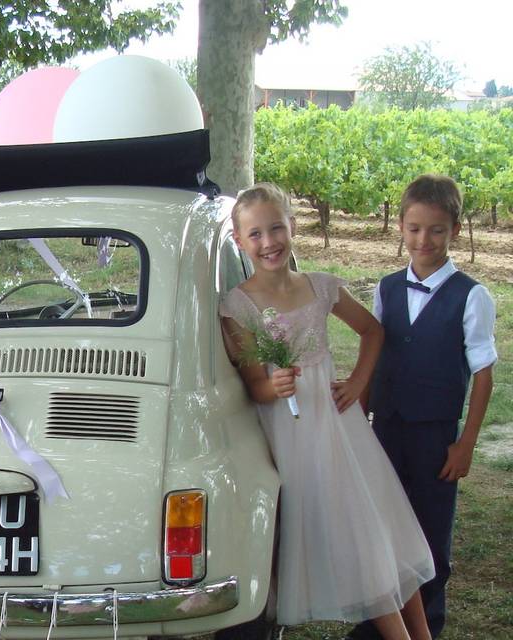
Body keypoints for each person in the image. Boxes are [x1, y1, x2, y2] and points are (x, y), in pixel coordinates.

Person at [219, 183, 435, 639]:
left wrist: (358, 383)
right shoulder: (237, 306)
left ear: (292, 227)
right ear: (239, 241)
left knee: (382, 529)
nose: (269, 242)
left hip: (342, 428)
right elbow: (254, 383)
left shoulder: (320, 286)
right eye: (255, 234)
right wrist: (271, 384)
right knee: (355, 539)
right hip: (297, 439)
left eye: (277, 228)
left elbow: (372, 332)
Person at [348, 175, 497, 640]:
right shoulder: (388, 288)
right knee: (381, 527)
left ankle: (427, 621)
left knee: (430, 533)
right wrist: (361, 424)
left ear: (454, 229)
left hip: (435, 436)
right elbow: (373, 358)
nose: (423, 240)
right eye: (414, 228)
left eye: (435, 229)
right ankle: (376, 622)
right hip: (387, 428)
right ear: (400, 227)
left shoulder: (472, 296)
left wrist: (465, 444)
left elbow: (484, 375)